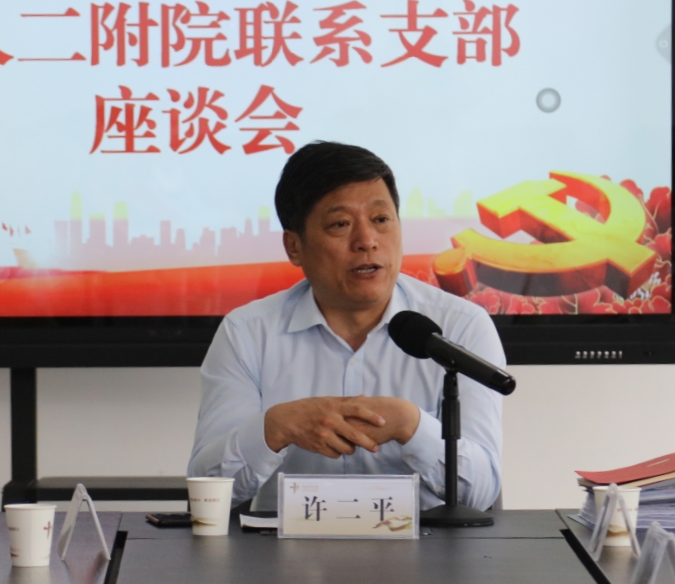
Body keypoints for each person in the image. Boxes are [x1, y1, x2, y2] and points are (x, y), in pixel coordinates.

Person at [188, 142, 505, 511]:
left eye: (381, 220)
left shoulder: (460, 327)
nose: (367, 241)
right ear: (294, 246)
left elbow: (480, 493)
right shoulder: (247, 333)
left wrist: (411, 425)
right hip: (282, 546)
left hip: (427, 544)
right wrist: (275, 427)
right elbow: (207, 489)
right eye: (340, 224)